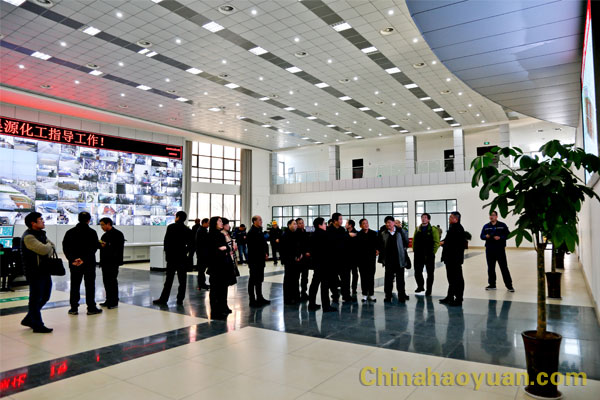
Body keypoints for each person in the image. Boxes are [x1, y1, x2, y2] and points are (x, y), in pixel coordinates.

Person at [20, 212, 55, 333]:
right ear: (33, 223)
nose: (43, 221)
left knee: (45, 296)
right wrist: (48, 246)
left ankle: (29, 318)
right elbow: (44, 250)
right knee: (35, 298)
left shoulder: (41, 234)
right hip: (34, 272)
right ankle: (37, 324)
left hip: (44, 270)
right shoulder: (28, 237)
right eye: (40, 219)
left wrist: (48, 246)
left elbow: (52, 247)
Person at [63, 212, 101, 315]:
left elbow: (66, 247)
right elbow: (93, 248)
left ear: (78, 219)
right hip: (89, 263)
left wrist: (73, 259)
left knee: (75, 285)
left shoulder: (70, 232)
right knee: (90, 285)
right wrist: (83, 259)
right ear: (89, 220)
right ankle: (91, 307)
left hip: (75, 264)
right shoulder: (92, 232)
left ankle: (74, 308)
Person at [153, 211, 193, 306]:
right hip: (182, 258)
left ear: (178, 217)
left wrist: (167, 254)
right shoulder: (187, 230)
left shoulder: (171, 227)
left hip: (172, 258)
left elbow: (166, 242)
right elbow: (191, 244)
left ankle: (164, 299)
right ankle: (180, 299)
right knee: (182, 280)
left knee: (169, 280)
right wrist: (185, 252)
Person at [207, 216, 236, 319]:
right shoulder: (211, 235)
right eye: (219, 221)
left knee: (223, 287)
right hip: (216, 266)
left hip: (223, 265)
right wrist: (223, 249)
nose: (221, 223)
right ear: (214, 223)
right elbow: (213, 250)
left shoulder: (220, 235)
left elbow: (226, 248)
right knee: (216, 289)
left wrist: (225, 249)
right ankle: (215, 310)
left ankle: (222, 307)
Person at [308, 217, 337, 312]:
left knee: (314, 284)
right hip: (325, 264)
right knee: (325, 285)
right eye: (324, 223)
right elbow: (330, 249)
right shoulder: (325, 234)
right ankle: (326, 306)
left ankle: (311, 304)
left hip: (316, 263)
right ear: (320, 225)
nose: (326, 225)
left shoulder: (312, 235)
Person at [379, 216, 410, 303]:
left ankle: (401, 296)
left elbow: (406, 242)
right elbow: (381, 245)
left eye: (390, 222)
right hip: (388, 261)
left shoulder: (401, 232)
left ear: (393, 223)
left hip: (399, 260)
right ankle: (388, 296)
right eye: (386, 223)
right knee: (388, 280)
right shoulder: (383, 233)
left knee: (400, 280)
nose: (388, 224)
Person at [481, 211, 514, 292]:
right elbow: (481, 236)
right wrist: (486, 236)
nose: (491, 217)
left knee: (504, 267)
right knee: (491, 268)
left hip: (500, 250)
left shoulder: (502, 225)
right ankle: (492, 285)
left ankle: (509, 286)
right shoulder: (486, 226)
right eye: (490, 215)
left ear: (496, 216)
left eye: (493, 215)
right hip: (489, 250)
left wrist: (500, 237)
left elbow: (508, 235)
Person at [440, 211, 466, 306]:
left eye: (451, 217)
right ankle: (450, 296)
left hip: (455, 259)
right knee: (451, 279)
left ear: (456, 219)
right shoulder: (452, 228)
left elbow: (454, 244)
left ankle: (459, 298)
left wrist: (444, 243)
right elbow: (448, 239)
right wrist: (443, 242)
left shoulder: (458, 229)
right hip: (449, 258)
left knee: (457, 279)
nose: (449, 218)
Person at [99, 217, 125, 309]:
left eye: (103, 225)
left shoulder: (118, 234)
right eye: (101, 225)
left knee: (112, 281)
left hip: (113, 262)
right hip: (105, 262)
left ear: (108, 224)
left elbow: (118, 248)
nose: (101, 227)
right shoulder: (104, 235)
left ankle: (114, 301)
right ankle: (108, 300)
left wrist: (107, 245)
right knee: (106, 281)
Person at [412, 213, 440, 296]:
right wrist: (414, 249)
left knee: (430, 273)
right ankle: (420, 286)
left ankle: (429, 289)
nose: (423, 219)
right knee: (417, 272)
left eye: (425, 217)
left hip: (429, 255)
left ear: (428, 219)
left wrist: (433, 252)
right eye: (422, 217)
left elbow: (436, 242)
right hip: (418, 255)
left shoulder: (433, 229)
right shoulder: (417, 228)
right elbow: (414, 240)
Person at [246, 215, 271, 307]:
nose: (261, 221)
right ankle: (252, 300)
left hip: (260, 260)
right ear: (254, 221)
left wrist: (266, 253)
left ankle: (259, 297)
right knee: (253, 279)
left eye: (261, 220)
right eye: (259, 220)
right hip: (254, 260)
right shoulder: (251, 232)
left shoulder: (259, 231)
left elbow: (264, 244)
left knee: (259, 279)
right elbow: (253, 247)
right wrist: (262, 253)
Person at [356, 218, 379, 302]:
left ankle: (371, 294)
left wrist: (378, 249)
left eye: (367, 223)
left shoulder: (373, 233)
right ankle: (364, 294)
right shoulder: (358, 235)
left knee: (371, 276)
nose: (366, 225)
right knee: (363, 277)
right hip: (361, 260)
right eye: (364, 223)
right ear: (360, 226)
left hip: (371, 258)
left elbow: (377, 244)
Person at [327, 213, 348, 302]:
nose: (341, 221)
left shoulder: (342, 229)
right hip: (332, 259)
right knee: (332, 278)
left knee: (345, 277)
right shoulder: (328, 230)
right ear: (335, 221)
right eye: (340, 219)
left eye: (342, 219)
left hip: (342, 258)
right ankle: (335, 294)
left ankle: (345, 295)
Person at [280, 219, 302, 305]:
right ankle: (288, 298)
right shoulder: (285, 235)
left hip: (297, 260)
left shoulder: (296, 234)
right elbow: (285, 249)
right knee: (289, 280)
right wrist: (293, 257)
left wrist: (300, 255)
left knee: (296, 279)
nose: (296, 225)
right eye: (294, 224)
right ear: (289, 225)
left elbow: (298, 246)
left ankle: (296, 296)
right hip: (289, 261)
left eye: (296, 224)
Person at [295, 218, 311, 302]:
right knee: (297, 276)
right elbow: (298, 245)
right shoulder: (296, 233)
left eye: (302, 223)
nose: (302, 224)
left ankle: (304, 292)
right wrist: (303, 252)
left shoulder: (305, 232)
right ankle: (296, 293)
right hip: (300, 257)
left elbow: (308, 243)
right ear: (297, 224)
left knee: (305, 276)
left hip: (306, 259)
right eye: (300, 223)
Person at [343, 219, 359, 301]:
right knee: (346, 274)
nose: (345, 224)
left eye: (346, 223)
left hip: (354, 257)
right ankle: (347, 290)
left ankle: (354, 288)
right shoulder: (345, 233)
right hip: (346, 257)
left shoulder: (356, 233)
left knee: (355, 273)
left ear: (350, 225)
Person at [195, 218, 210, 290]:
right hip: (202, 254)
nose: (208, 224)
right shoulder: (202, 231)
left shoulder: (202, 230)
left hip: (201, 253)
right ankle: (201, 284)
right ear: (204, 223)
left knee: (201, 270)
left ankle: (202, 283)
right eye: (208, 223)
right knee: (201, 270)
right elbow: (204, 242)